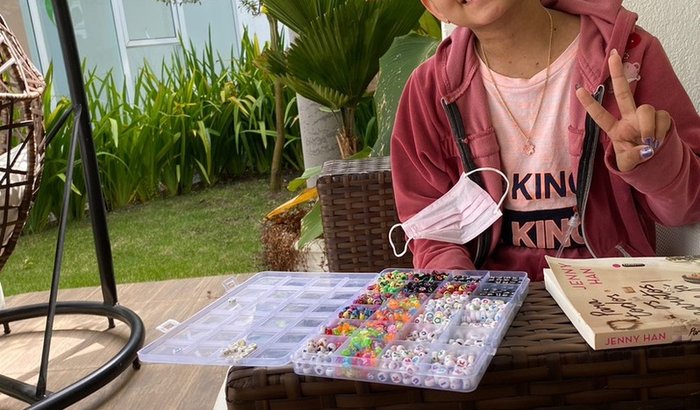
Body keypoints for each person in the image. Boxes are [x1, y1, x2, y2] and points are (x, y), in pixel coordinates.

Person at [390, 0, 700, 281]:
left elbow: (688, 209)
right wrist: (465, 294)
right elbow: (433, 232)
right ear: (433, 7)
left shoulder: (628, 57)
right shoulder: (430, 91)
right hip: (491, 304)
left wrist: (653, 161)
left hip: (615, 294)